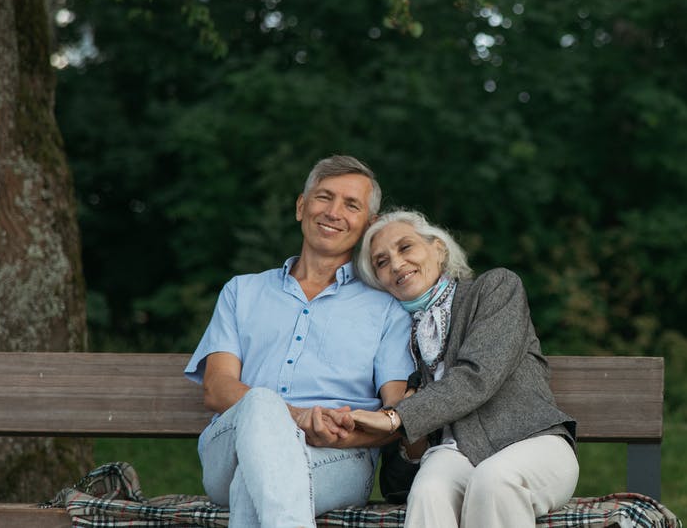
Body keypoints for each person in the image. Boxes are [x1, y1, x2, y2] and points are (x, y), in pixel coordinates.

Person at [184, 155, 416, 527]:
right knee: (261, 402)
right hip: (230, 449)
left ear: (368, 226)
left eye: (351, 205)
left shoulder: (388, 309)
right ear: (301, 206)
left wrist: (336, 434)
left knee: (254, 483)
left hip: (337, 457)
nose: (333, 212)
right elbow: (217, 387)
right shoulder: (242, 291)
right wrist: (293, 419)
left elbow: (395, 414)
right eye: (324, 197)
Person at [350, 209, 579, 528]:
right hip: (454, 456)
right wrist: (409, 441)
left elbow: (477, 377)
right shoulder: (398, 337)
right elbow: (399, 480)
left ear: (438, 249)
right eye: (382, 262)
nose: (396, 264)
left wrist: (397, 416)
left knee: (494, 479)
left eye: (405, 247)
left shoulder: (495, 289)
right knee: (428, 490)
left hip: (531, 443)